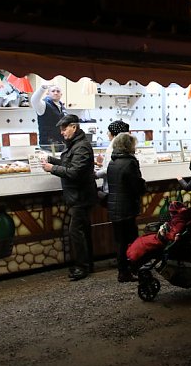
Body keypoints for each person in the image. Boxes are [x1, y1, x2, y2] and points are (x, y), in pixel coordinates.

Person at [42, 114, 98, 281]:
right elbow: (69, 165)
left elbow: (74, 172)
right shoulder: (75, 145)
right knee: (83, 231)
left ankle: (82, 267)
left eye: (64, 128)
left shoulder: (81, 147)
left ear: (74, 127)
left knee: (76, 231)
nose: (62, 132)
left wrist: (52, 168)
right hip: (79, 196)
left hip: (80, 197)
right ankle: (88, 264)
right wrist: (51, 160)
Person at [105, 132, 144, 282]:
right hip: (127, 206)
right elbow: (136, 185)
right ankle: (132, 269)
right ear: (128, 146)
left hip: (114, 206)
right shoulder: (130, 162)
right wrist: (143, 186)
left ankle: (123, 271)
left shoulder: (112, 162)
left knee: (120, 241)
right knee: (131, 240)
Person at [95, 120, 130, 198]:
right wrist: (101, 164)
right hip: (123, 188)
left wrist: (96, 174)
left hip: (112, 188)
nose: (107, 133)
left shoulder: (112, 147)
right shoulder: (127, 145)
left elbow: (109, 169)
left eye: (108, 131)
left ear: (113, 133)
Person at [32, 83, 67, 152]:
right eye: (53, 91)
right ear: (48, 93)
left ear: (61, 94)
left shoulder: (62, 107)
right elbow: (34, 100)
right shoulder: (43, 105)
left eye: (58, 91)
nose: (56, 93)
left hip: (61, 145)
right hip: (48, 146)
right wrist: (42, 88)